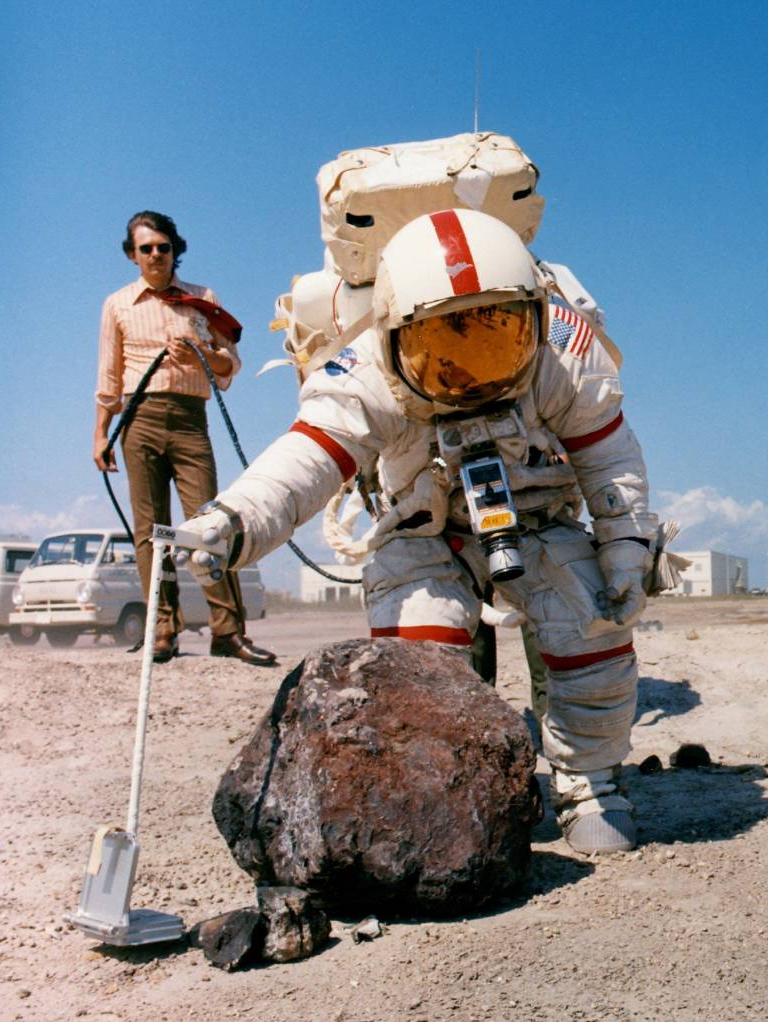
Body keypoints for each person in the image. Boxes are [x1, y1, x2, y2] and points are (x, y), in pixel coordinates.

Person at [176, 208, 657, 853]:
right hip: (428, 531)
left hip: (544, 522)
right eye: (445, 347)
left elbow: (610, 462)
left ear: (535, 314)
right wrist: (234, 522)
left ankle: (592, 786)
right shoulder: (364, 374)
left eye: (497, 333)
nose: (474, 368)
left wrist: (626, 549)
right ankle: (453, 787)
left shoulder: (565, 356)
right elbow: (306, 462)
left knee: (589, 626)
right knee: (421, 651)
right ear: (395, 332)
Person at [93, 210, 276, 667]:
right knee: (150, 531)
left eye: (163, 247)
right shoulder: (117, 304)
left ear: (176, 250)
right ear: (132, 256)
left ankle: (227, 631)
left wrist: (199, 356)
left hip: (191, 420)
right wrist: (100, 434)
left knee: (208, 525)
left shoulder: (202, 298)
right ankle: (162, 629)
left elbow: (229, 363)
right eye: (146, 249)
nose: (156, 255)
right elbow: (108, 378)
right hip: (139, 419)